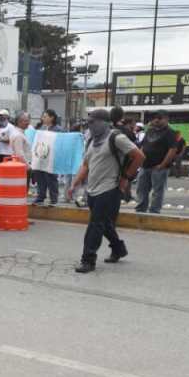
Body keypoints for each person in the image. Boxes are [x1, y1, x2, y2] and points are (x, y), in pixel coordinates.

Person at [68, 109, 145, 273]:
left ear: (104, 122)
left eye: (93, 122)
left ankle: (88, 260)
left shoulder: (116, 138)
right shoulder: (91, 140)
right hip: (93, 189)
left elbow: (139, 156)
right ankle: (118, 248)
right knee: (105, 224)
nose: (90, 126)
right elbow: (86, 165)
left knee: (95, 224)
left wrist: (125, 178)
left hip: (110, 189)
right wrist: (75, 183)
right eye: (88, 123)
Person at [133, 110, 183, 214]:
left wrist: (163, 164)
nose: (156, 120)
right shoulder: (149, 130)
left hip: (159, 167)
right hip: (145, 165)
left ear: (166, 119)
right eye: (154, 118)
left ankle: (154, 211)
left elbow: (172, 150)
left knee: (157, 191)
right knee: (141, 189)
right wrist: (140, 161)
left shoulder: (171, 132)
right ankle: (140, 208)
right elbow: (143, 146)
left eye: (160, 118)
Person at [33, 109, 62, 206]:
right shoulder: (41, 128)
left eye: (45, 116)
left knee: (51, 178)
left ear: (52, 117)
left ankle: (54, 199)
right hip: (41, 157)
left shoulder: (58, 129)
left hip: (52, 158)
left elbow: (61, 143)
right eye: (43, 116)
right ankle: (41, 196)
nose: (43, 118)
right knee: (40, 176)